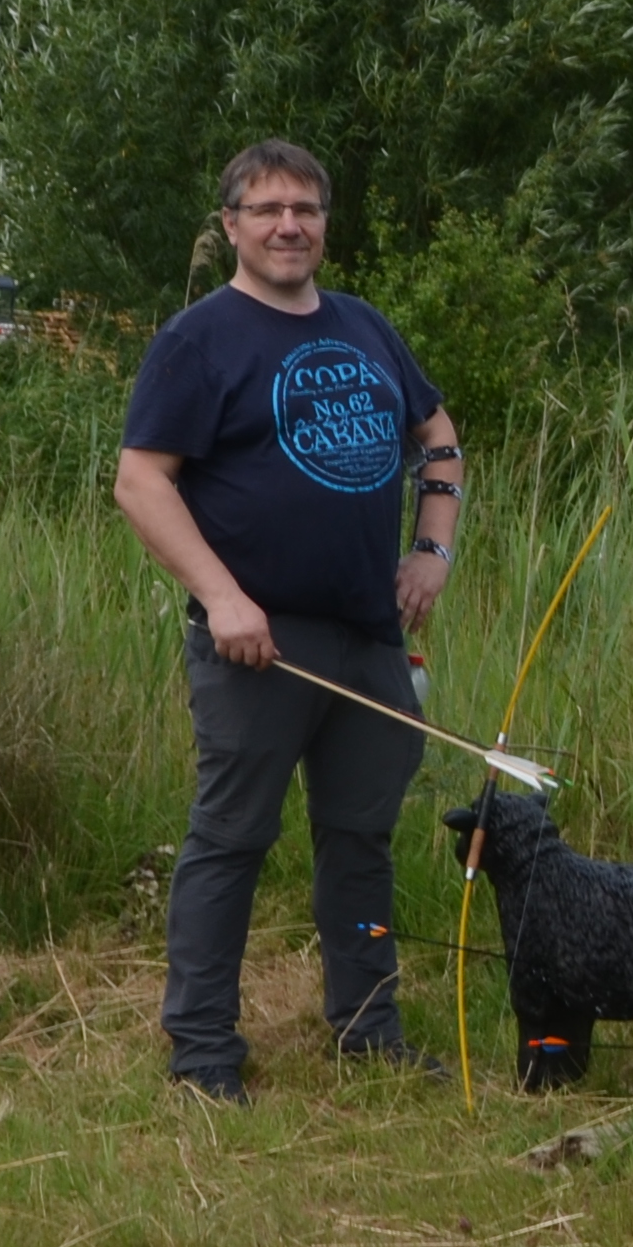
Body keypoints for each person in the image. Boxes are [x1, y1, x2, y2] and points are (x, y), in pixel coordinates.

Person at [112, 142, 465, 1099]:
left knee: (362, 835)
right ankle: (203, 1052)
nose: (287, 226)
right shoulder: (199, 339)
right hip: (257, 647)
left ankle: (367, 1028)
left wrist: (432, 547)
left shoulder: (364, 327)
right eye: (266, 210)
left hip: (368, 637)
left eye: (304, 209)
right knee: (231, 838)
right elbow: (141, 482)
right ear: (230, 224)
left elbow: (437, 435)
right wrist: (222, 597)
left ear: (323, 223)